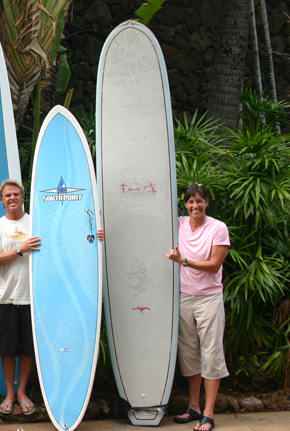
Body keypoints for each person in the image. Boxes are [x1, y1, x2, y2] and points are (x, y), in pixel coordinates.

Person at [97, 183, 229, 431]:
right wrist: (108, 233)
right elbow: (144, 226)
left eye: (199, 201)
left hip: (208, 298)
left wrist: (184, 261)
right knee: (190, 355)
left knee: (211, 354)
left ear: (207, 203)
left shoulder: (218, 228)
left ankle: (209, 414)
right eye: (190, 202)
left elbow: (213, 265)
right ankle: (194, 407)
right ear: (186, 204)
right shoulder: (178, 224)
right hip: (183, 297)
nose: (195, 206)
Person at [0, 179, 41, 415]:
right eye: (7, 195)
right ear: (2, 200)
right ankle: (9, 393)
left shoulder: (36, 222)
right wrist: (20, 249)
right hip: (6, 298)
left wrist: (96, 234)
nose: (12, 198)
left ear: (23, 197)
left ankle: (22, 392)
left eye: (16, 194)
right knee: (8, 349)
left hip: (32, 298)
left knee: (28, 348)